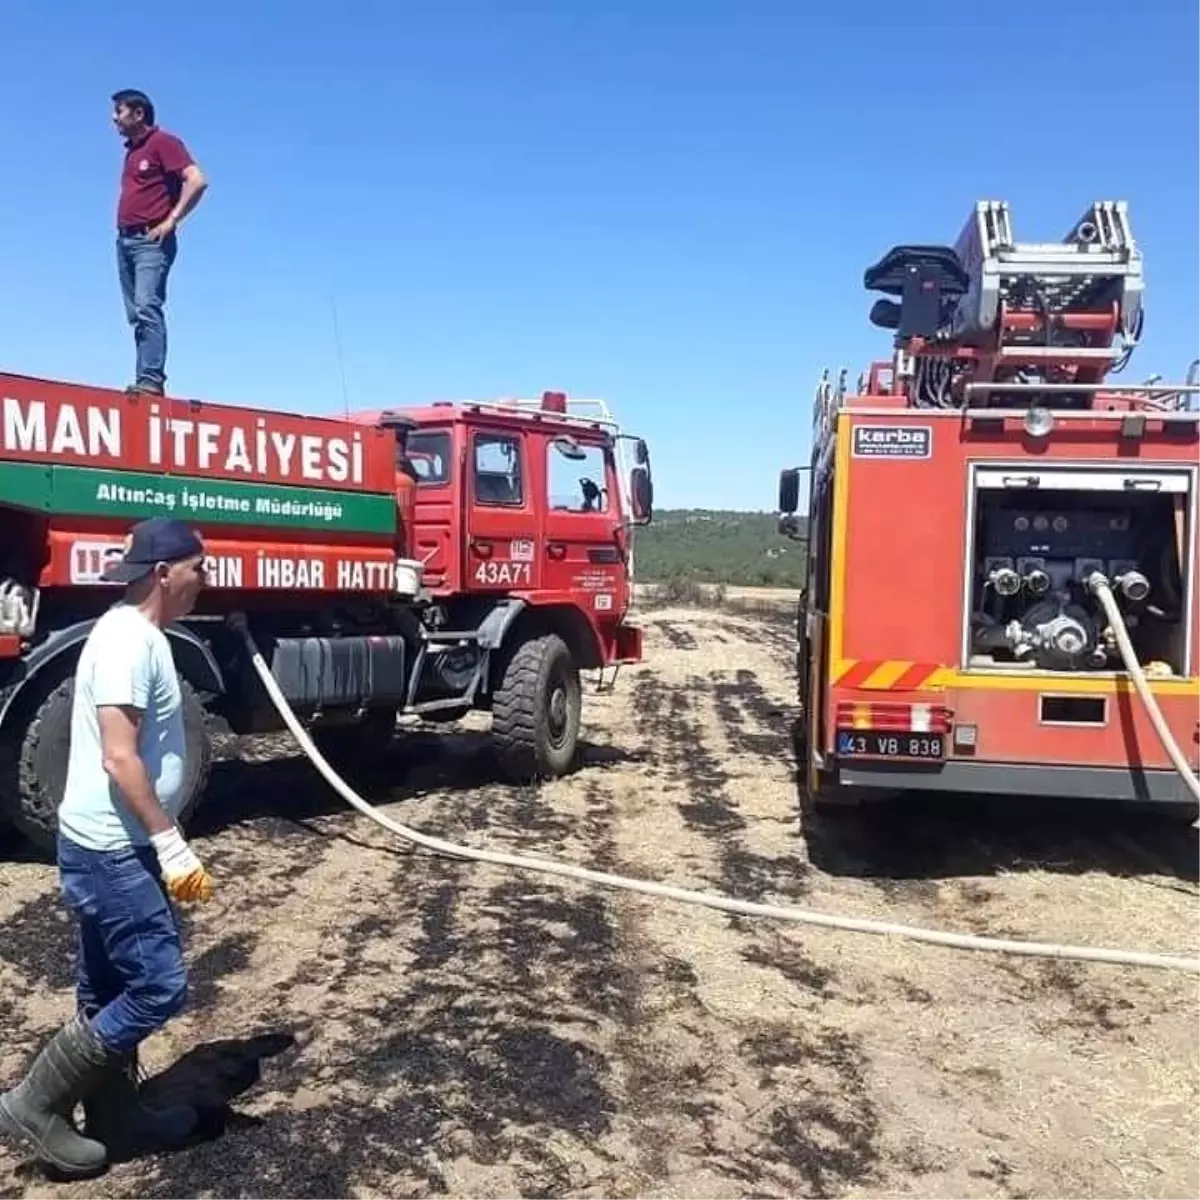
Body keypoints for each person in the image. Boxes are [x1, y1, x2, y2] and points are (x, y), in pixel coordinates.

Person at [0, 518, 214, 1177]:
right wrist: (168, 841)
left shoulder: (139, 636)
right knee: (158, 985)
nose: (205, 579)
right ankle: (35, 1102)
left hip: (113, 848)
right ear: (164, 573)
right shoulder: (128, 644)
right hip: (111, 851)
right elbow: (122, 758)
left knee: (106, 988)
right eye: (198, 567)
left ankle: (117, 1117)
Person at [112, 89, 208, 396]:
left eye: (119, 111)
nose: (114, 118)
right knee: (136, 314)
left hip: (150, 240)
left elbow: (197, 180)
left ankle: (151, 381)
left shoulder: (163, 143)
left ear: (138, 114)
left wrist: (171, 221)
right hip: (125, 240)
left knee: (146, 306)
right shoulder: (133, 151)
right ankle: (144, 378)